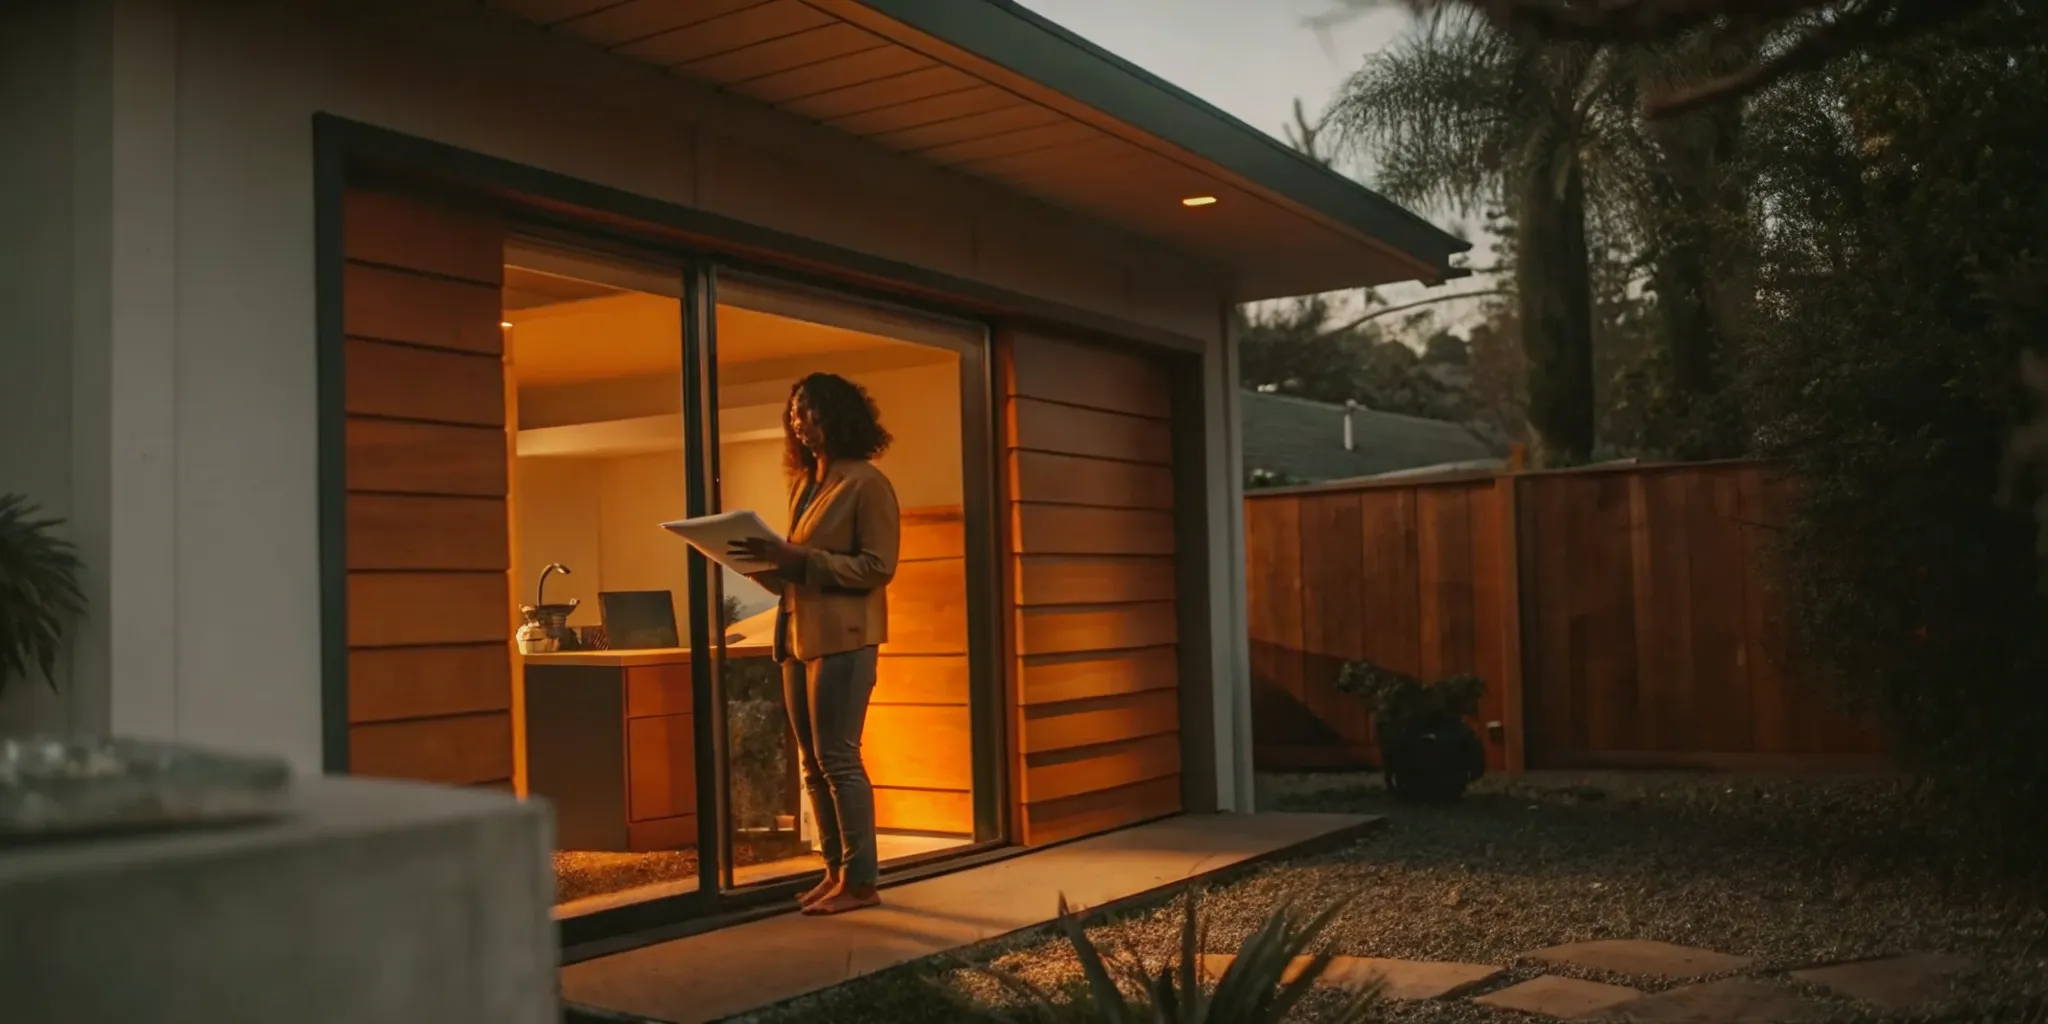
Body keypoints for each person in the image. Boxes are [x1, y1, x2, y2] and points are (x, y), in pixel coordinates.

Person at [729, 372, 900, 917]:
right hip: (796, 635)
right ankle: (835, 871)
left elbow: (878, 567)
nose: (799, 422)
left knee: (838, 759)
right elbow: (799, 573)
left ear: (839, 417)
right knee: (811, 764)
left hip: (844, 638)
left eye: (809, 411)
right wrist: (761, 567)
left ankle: (862, 881)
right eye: (794, 412)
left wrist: (797, 559)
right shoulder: (805, 485)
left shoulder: (867, 484)